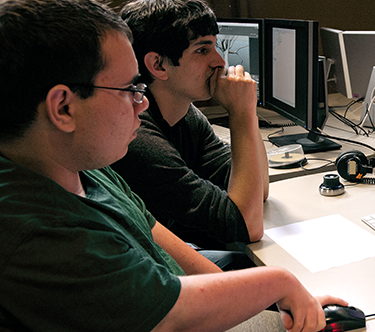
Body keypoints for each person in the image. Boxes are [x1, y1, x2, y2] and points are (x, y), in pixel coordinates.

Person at [0, 0, 345, 331]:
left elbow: (153, 235)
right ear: (63, 108)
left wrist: (264, 301)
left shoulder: (79, 164)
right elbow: (170, 320)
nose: (142, 101)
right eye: (128, 88)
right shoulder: (40, 234)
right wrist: (276, 284)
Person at [110, 0, 269, 253]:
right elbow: (247, 226)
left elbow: (257, 191)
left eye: (215, 47)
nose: (219, 61)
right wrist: (240, 113)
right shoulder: (137, 137)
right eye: (202, 50)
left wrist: (248, 113)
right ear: (158, 65)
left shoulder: (187, 115)